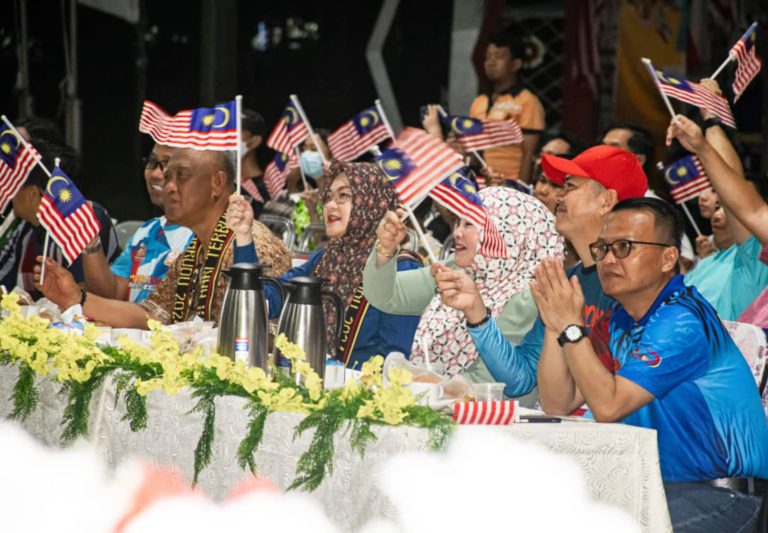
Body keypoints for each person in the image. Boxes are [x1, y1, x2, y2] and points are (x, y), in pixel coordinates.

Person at [531, 197, 768, 530]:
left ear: (668, 258)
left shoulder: (682, 321)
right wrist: (555, 325)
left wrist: (571, 328)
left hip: (725, 496)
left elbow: (609, 406)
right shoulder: (619, 319)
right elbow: (558, 402)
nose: (608, 259)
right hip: (652, 487)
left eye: (625, 247)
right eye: (602, 249)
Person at [426, 145, 648, 400]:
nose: (559, 197)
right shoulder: (563, 282)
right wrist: (476, 311)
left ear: (606, 201)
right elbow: (521, 380)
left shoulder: (638, 283)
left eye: (570, 186)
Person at [34, 148, 291, 327]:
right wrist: (75, 299)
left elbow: (269, 336)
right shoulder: (195, 249)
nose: (168, 186)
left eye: (181, 176)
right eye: (167, 177)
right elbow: (152, 315)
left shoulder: (253, 244)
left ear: (217, 183)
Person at [364, 185, 562, 388]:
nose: (457, 232)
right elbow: (385, 297)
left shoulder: (532, 294)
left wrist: (429, 388)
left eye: (470, 224)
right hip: (437, 402)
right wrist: (385, 250)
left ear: (508, 233)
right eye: (459, 221)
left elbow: (497, 382)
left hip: (493, 414)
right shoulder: (458, 268)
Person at [229, 161, 423, 367]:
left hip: (358, 395)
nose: (329, 205)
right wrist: (243, 236)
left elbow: (394, 364)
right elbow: (264, 302)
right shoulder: (325, 259)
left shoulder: (402, 269)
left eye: (344, 196)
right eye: (329, 196)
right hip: (303, 384)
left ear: (373, 203)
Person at [668, 112, 768, 327]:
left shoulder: (755, 256)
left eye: (726, 203)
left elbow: (739, 197)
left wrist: (707, 133)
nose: (722, 210)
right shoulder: (709, 263)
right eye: (719, 206)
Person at [0, 139, 120, 297]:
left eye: (15, 184)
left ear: (33, 194)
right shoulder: (25, 224)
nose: (9, 193)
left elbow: (87, 292)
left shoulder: (83, 217)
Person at [82, 143, 194, 303]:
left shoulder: (208, 234)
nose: (155, 173)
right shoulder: (148, 230)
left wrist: (77, 298)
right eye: (152, 162)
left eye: (167, 164)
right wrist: (90, 242)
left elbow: (157, 315)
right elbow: (113, 294)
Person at [469, 29, 545, 184]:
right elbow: (473, 150)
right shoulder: (479, 101)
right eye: (488, 57)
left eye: (499, 57)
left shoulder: (527, 101)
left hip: (511, 184)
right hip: (483, 183)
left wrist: (521, 190)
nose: (491, 62)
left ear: (515, 64)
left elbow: (529, 153)